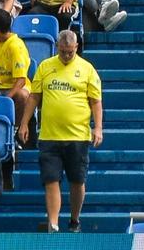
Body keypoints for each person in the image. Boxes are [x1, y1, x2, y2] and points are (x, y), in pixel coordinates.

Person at [19, 27, 102, 234]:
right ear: (57, 47)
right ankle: (53, 224)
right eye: (63, 51)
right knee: (51, 179)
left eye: (70, 52)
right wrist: (23, 123)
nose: (66, 55)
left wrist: (98, 127)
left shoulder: (87, 69)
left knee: (77, 180)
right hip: (49, 135)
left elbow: (96, 101)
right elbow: (34, 96)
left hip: (78, 136)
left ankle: (74, 220)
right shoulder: (46, 66)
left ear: (76, 47)